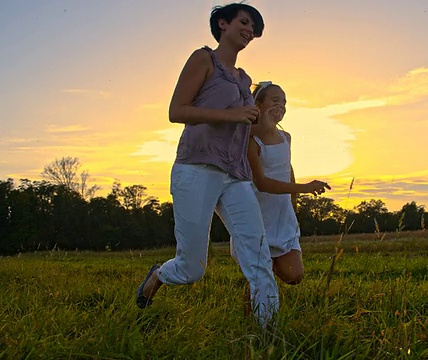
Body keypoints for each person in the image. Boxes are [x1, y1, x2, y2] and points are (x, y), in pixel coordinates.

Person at [135, 3, 278, 327]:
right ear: (223, 24)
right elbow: (177, 111)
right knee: (192, 269)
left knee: (259, 255)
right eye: (244, 22)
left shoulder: (245, 80)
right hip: (196, 168)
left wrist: (262, 119)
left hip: (236, 174)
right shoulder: (204, 60)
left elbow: (242, 124)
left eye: (253, 29)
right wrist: (233, 115)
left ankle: (268, 335)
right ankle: (159, 275)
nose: (249, 31)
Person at [238, 81, 330, 285]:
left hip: (282, 213)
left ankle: (264, 276)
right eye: (275, 100)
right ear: (259, 104)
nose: (281, 106)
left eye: (285, 103)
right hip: (259, 212)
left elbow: (288, 170)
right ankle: (257, 302)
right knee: (260, 277)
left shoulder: (286, 137)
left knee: (294, 275)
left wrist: (293, 202)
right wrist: (305, 188)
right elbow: (261, 183)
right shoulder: (250, 140)